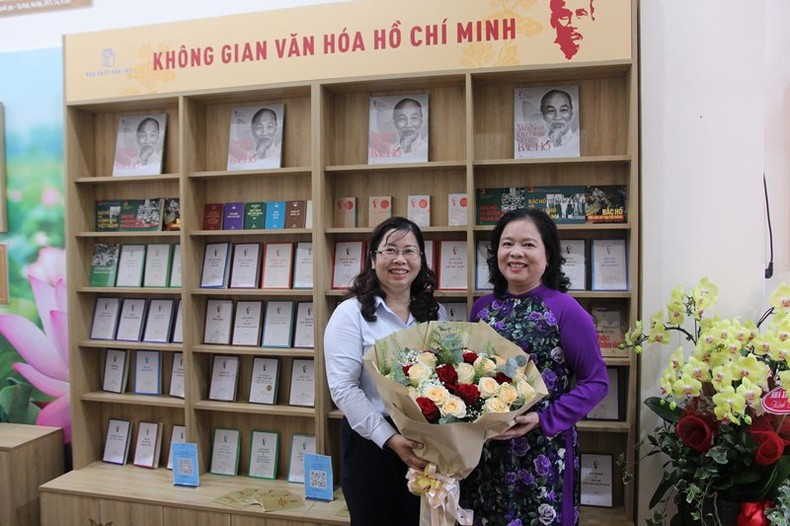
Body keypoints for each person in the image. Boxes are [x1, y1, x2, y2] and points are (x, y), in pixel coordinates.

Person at [460, 208, 608, 526]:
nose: (516, 252)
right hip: (487, 451)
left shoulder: (567, 311)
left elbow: (596, 382)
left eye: (528, 244)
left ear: (548, 254)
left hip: (543, 447)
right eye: (507, 243)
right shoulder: (482, 309)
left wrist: (543, 419)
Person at [324, 216, 446, 526]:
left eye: (410, 251)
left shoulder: (435, 313)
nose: (400, 260)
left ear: (421, 258)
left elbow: (448, 379)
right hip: (370, 445)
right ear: (373, 257)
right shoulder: (350, 314)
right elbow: (343, 388)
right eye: (390, 250)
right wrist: (390, 439)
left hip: (425, 444)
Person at [540, 88, 579, 153]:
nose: (557, 117)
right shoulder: (535, 146)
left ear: (572, 113)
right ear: (542, 115)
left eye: (563, 110)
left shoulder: (578, 143)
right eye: (551, 111)